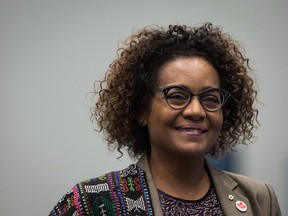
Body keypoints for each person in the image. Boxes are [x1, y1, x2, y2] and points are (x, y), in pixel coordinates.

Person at [49, 23, 282, 215]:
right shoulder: (92, 202)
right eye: (177, 96)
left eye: (211, 99)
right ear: (141, 109)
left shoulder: (258, 199)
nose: (196, 111)